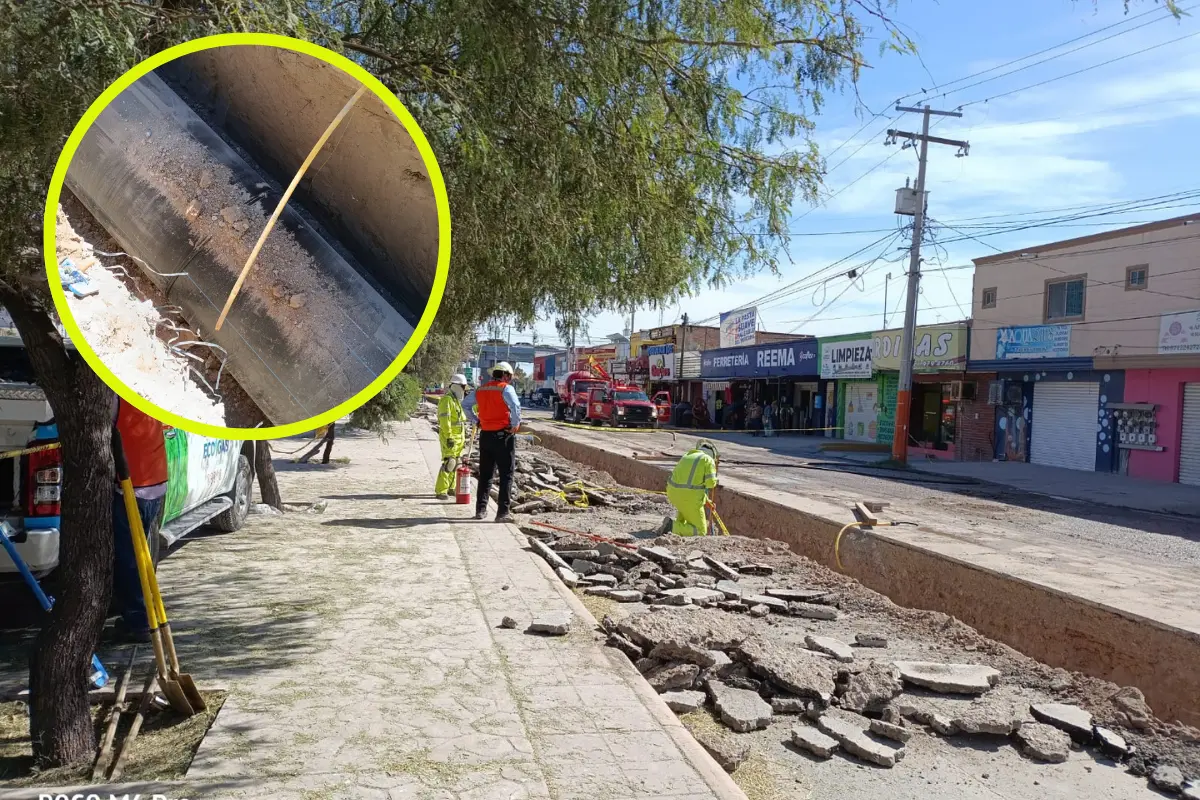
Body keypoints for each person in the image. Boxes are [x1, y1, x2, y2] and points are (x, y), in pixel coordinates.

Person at [111, 397, 168, 643]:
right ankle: (145, 616)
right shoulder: (150, 391)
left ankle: (139, 622)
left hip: (132, 486)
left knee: (129, 560)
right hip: (155, 482)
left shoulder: (116, 396)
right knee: (138, 556)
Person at [463, 362, 522, 522]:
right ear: (505, 375)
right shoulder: (506, 389)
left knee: (485, 474)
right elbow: (515, 407)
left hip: (486, 436)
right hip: (504, 436)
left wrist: (476, 420)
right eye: (509, 376)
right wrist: (515, 425)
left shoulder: (480, 389)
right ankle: (502, 513)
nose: (510, 379)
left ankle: (481, 510)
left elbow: (465, 405)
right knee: (506, 475)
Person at [658, 440, 719, 537]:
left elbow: (691, 485)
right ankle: (672, 527)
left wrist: (707, 501)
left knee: (685, 509)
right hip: (689, 497)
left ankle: (678, 524)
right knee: (701, 531)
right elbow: (711, 483)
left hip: (673, 493)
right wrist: (715, 479)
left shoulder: (687, 456)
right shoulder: (708, 459)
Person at [435, 374, 470, 498]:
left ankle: (451, 487)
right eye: (463, 387)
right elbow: (445, 421)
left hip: (459, 438)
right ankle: (441, 490)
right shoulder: (447, 400)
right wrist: (449, 436)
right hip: (450, 437)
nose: (464, 390)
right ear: (456, 386)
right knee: (450, 463)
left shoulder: (456, 401)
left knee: (457, 463)